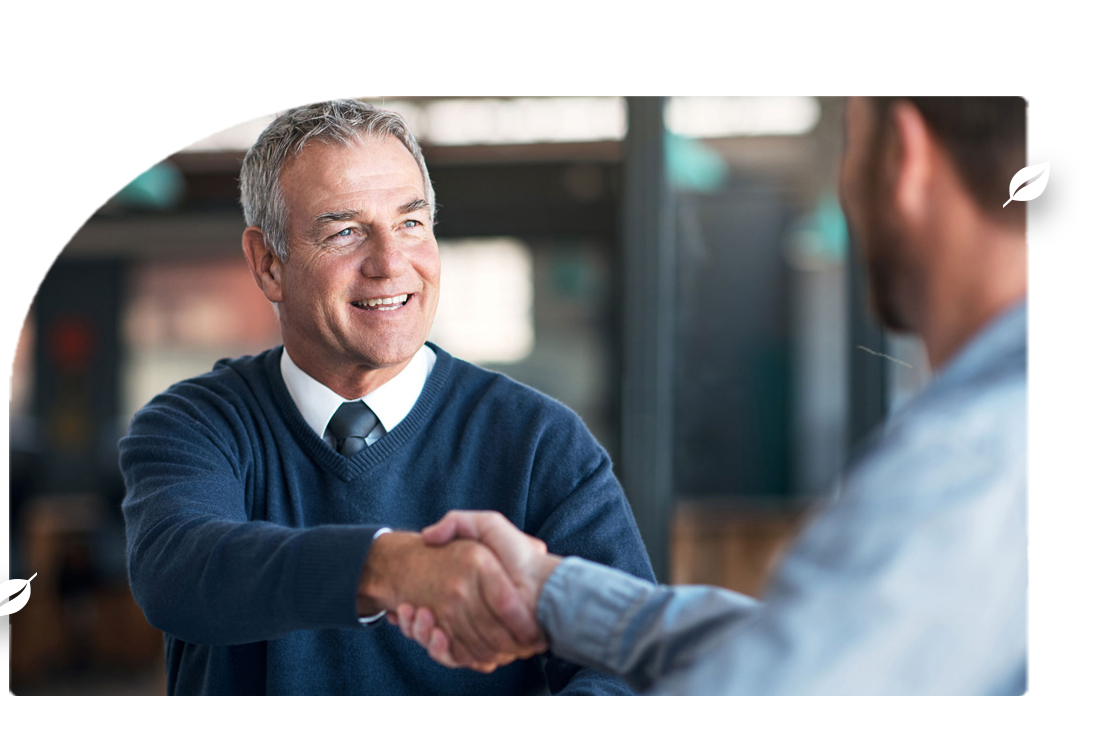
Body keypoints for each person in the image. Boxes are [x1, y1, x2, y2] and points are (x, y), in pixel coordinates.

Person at [395, 96, 1029, 695]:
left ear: (904, 157)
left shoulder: (972, 454)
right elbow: (799, 645)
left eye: (852, 145)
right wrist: (550, 593)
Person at [118, 99, 655, 695]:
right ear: (269, 263)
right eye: (345, 231)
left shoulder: (540, 443)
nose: (390, 262)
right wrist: (391, 567)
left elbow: (626, 666)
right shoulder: (196, 424)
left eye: (410, 223)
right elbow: (181, 570)